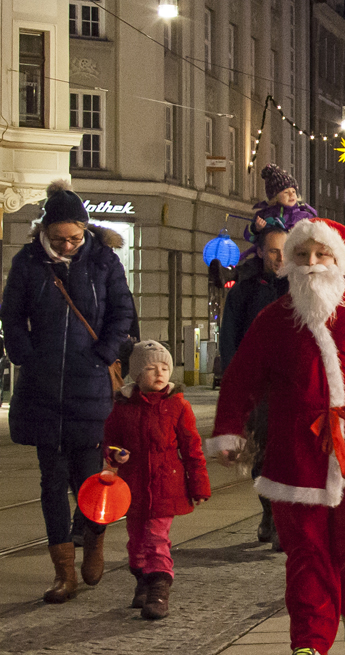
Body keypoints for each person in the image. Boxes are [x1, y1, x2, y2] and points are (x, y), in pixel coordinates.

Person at [208, 217, 345, 655]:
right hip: (295, 452)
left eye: (320, 255)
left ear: (337, 261)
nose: (311, 265)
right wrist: (231, 428)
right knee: (305, 547)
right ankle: (309, 638)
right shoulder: (272, 321)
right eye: (302, 256)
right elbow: (242, 377)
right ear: (289, 262)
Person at [1, 179, 135, 604]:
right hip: (42, 388)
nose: (69, 244)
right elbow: (11, 313)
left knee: (90, 479)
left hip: (89, 385)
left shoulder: (103, 260)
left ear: (85, 229)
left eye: (76, 236)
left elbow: (122, 311)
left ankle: (94, 540)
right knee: (50, 482)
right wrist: (24, 354)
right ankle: (63, 573)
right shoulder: (28, 262)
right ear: (45, 231)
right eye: (60, 238)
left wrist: (103, 353)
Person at [103, 341, 210, 620]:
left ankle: (159, 590)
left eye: (164, 367)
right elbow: (110, 442)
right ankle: (142, 580)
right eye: (151, 368)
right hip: (133, 487)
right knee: (136, 541)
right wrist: (115, 454)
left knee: (156, 537)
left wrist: (199, 484)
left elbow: (192, 448)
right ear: (137, 375)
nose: (159, 373)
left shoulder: (177, 406)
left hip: (166, 486)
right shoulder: (123, 407)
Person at [219, 224, 289, 550]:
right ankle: (269, 511)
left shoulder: (300, 286)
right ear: (260, 251)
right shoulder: (243, 291)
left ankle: (283, 516)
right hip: (258, 388)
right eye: (273, 250)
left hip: (292, 386)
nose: (280, 257)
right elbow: (230, 341)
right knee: (261, 456)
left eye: (285, 250)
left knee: (290, 454)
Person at [243, 164, 318, 248]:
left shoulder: (305, 215)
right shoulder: (264, 215)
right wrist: (256, 229)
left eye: (293, 191)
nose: (291, 194)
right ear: (275, 197)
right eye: (286, 192)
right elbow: (249, 236)